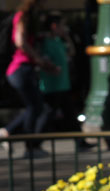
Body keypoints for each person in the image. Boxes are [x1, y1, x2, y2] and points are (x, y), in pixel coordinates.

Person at [0, 0, 60, 159]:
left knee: (36, 106)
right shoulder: (23, 16)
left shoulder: (27, 18)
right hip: (20, 69)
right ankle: (29, 146)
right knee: (35, 106)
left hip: (24, 69)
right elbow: (20, 41)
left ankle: (8, 132)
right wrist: (38, 59)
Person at [37, 12, 90, 149]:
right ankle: (33, 144)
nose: (64, 28)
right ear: (54, 26)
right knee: (47, 115)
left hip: (62, 85)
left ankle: (80, 142)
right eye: (62, 26)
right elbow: (43, 61)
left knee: (70, 115)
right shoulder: (45, 42)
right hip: (51, 86)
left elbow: (71, 52)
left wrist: (67, 37)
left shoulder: (58, 41)